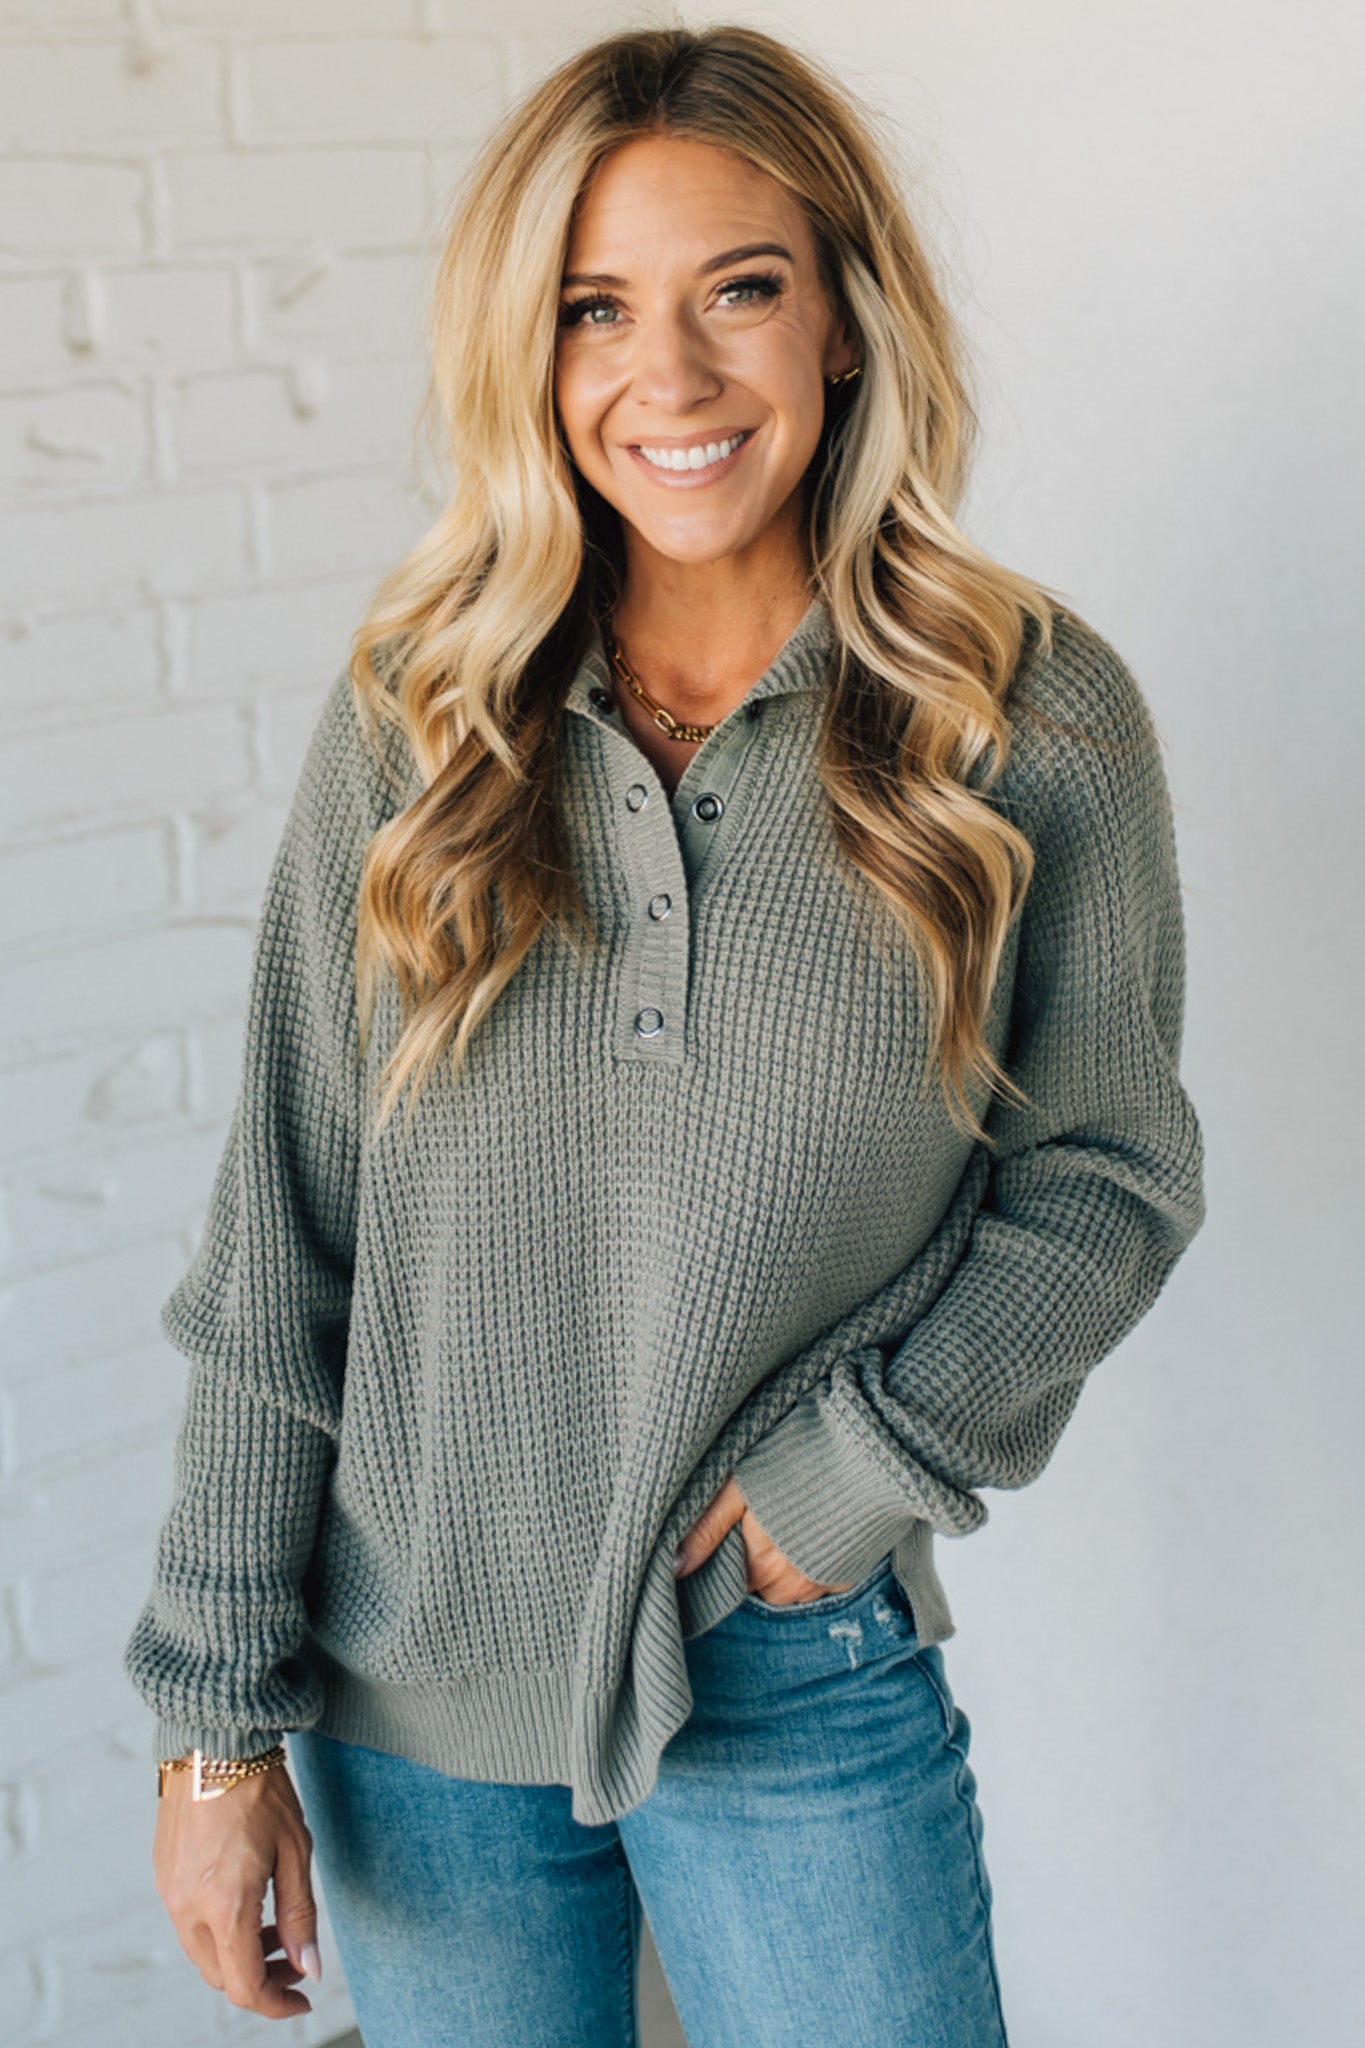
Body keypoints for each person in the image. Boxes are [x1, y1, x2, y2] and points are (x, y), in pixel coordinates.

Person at [123, 23, 1206, 2048]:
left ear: (842, 320)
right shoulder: (419, 715)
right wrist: (211, 1725)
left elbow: (1103, 1176)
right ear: (527, 359)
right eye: (592, 309)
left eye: (740, 290)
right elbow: (283, 1234)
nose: (670, 377)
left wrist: (858, 1466)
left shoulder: (1024, 720)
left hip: (784, 1669)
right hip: (407, 1691)